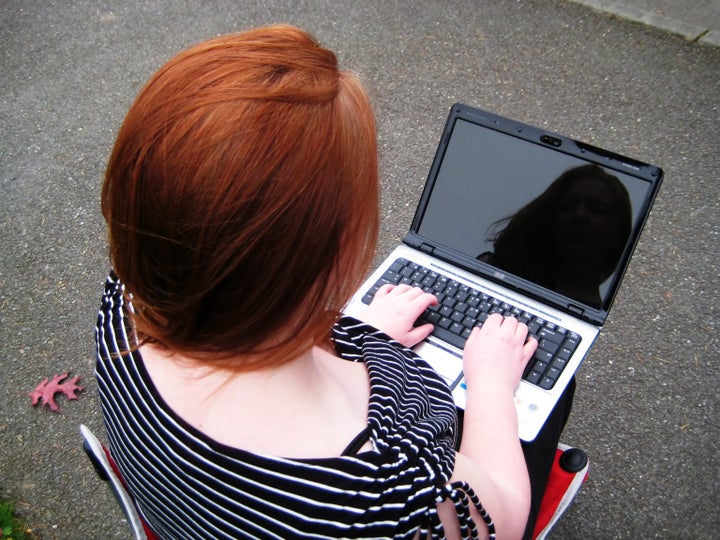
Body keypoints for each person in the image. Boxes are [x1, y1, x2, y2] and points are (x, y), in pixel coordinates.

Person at [96, 24, 567, 539]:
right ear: (338, 254)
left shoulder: (125, 301)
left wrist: (360, 333)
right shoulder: (387, 500)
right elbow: (505, 511)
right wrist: (492, 385)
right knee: (549, 392)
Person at [481, 164, 632, 308]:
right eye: (568, 206)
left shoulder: (592, 321)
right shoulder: (491, 268)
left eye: (597, 210)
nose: (580, 215)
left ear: (617, 231)